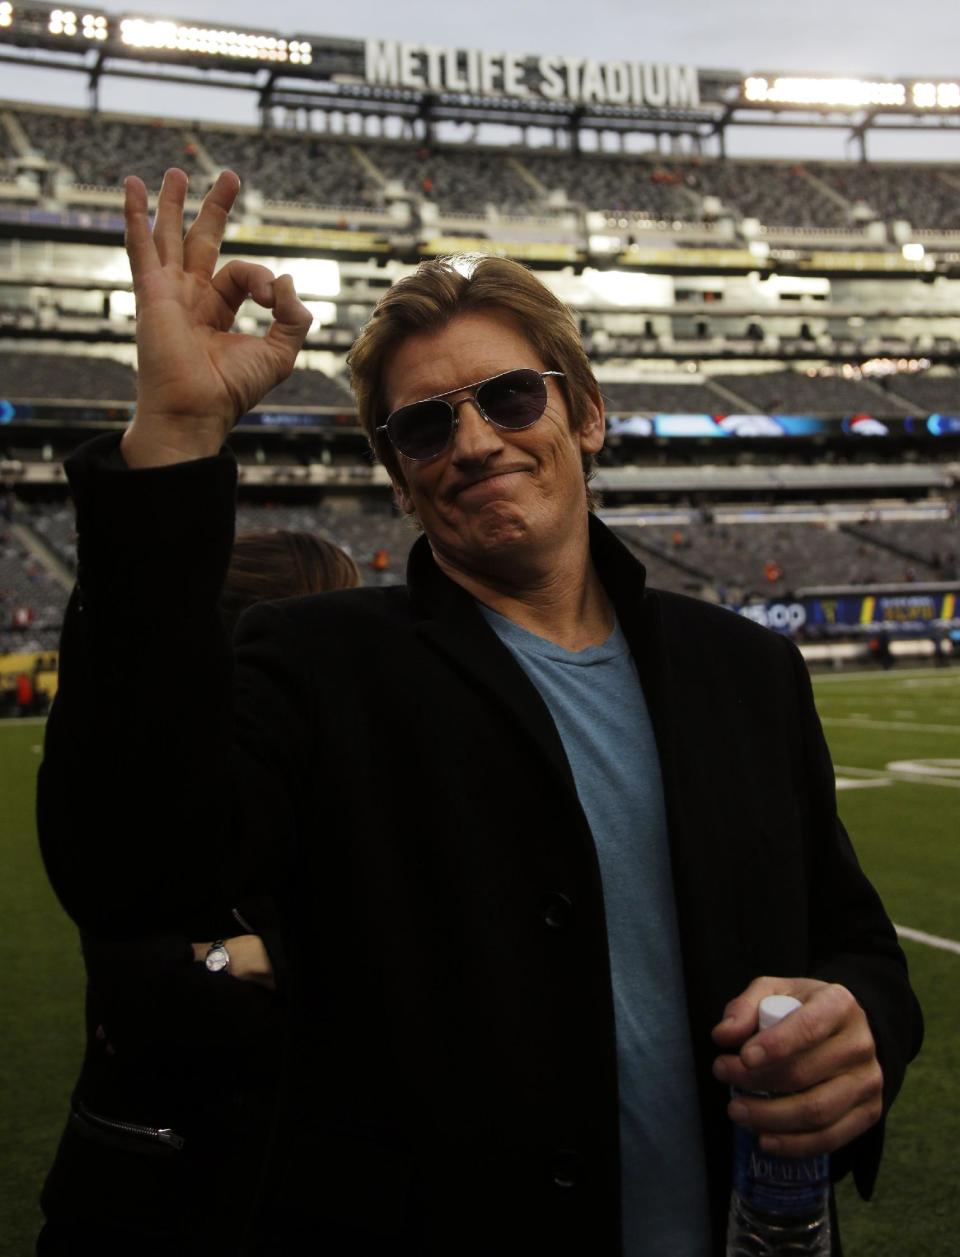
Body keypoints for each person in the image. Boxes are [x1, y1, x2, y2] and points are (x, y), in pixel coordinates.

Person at [37, 169, 922, 1257]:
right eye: (422, 427)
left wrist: (864, 1023)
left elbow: (854, 943)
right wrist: (173, 434)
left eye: (510, 397)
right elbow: (130, 869)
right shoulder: (318, 666)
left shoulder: (745, 671)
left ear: (586, 413)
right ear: (400, 480)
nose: (472, 442)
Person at [37, 529, 359, 1257]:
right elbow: (149, 989)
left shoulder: (361, 776)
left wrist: (266, 955)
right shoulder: (152, 788)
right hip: (153, 1190)